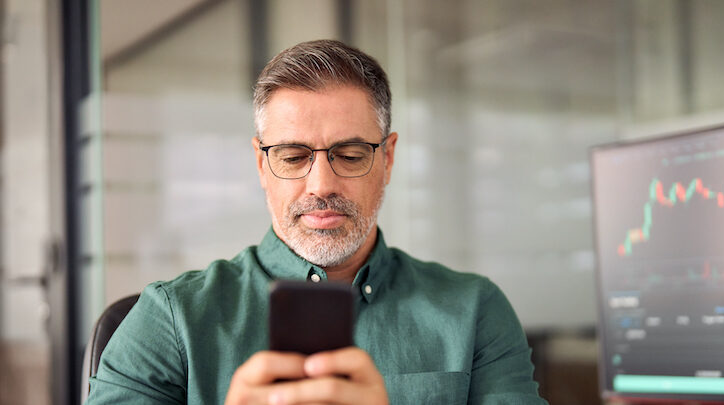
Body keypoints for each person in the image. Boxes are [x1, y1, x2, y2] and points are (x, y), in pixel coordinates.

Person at [86, 39, 547, 405]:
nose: (321, 183)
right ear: (261, 164)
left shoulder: (474, 310)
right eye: (292, 156)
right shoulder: (171, 318)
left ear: (387, 159)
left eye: (349, 155)